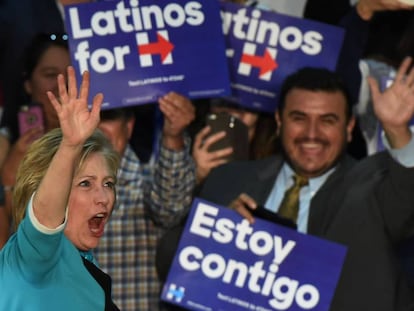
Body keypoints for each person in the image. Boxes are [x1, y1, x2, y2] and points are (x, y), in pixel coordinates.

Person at [159, 58, 414, 311]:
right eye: (299, 118)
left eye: (327, 120)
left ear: (349, 127)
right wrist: (215, 233)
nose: (312, 134)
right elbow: (167, 257)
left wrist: (397, 129)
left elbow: (406, 197)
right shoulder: (229, 179)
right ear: (279, 122)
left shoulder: (372, 189)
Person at [0, 66, 120, 310]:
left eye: (108, 184)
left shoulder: (83, 266)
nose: (104, 197)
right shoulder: (34, 258)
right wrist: (70, 146)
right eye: (85, 183)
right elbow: (44, 220)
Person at [93, 94, 196, 311]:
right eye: (88, 114)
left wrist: (173, 137)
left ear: (129, 125)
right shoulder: (53, 187)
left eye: (108, 116)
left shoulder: (152, 180)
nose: (97, 126)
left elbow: (170, 211)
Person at [0, 32, 71, 245]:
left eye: (69, 75)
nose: (61, 85)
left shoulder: (92, 139)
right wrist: (9, 177)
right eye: (51, 75)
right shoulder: (5, 144)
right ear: (28, 83)